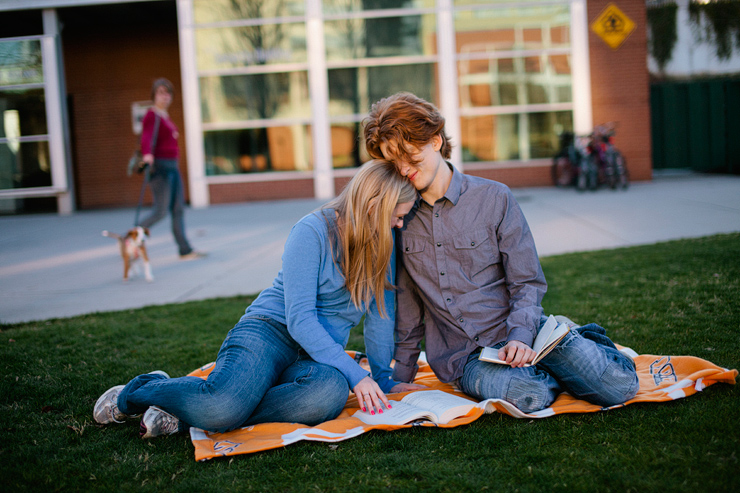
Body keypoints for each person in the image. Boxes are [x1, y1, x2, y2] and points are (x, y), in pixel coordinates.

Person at [93, 159, 421, 438]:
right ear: (374, 205)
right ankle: (135, 392)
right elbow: (300, 319)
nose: (400, 223)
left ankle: (187, 413)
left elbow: (380, 316)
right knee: (221, 407)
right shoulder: (312, 231)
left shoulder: (384, 244)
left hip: (315, 358)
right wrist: (357, 375)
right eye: (396, 215)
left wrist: (381, 379)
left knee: (328, 395)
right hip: (270, 331)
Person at [363, 92, 639, 413]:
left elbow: (527, 281)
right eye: (393, 162)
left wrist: (521, 336)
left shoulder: (494, 198)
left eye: (410, 156)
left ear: (435, 141)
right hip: (464, 358)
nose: (403, 169)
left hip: (522, 333)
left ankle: (568, 340)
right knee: (529, 396)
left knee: (619, 387)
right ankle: (556, 364)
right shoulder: (401, 220)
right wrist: (402, 374)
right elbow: (409, 304)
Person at [138, 77, 204, 260]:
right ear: (154, 95)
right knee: (160, 211)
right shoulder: (152, 115)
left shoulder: (164, 116)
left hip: (173, 168)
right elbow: (146, 137)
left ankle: (185, 250)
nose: (165, 96)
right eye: (160, 92)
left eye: (168, 93)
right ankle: (131, 238)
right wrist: (147, 154)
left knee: (178, 210)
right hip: (161, 169)